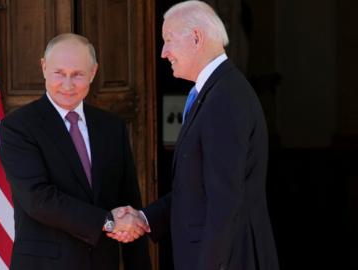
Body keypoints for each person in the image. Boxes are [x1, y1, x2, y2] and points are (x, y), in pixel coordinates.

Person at [110, 1, 280, 270]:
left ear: (197, 37)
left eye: (168, 40)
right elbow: (195, 189)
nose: (164, 52)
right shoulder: (214, 92)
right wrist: (145, 218)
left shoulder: (224, 98)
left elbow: (224, 201)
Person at [0, 33, 151, 270]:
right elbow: (38, 199)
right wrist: (107, 222)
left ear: (93, 73)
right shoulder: (18, 127)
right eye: (59, 73)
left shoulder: (112, 126)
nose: (68, 85)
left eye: (78, 74)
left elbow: (129, 199)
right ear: (43, 67)